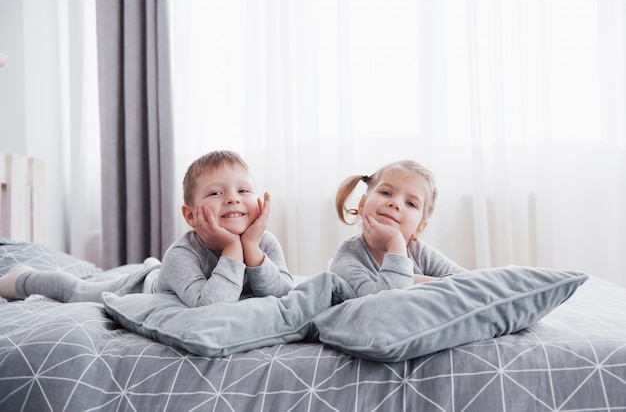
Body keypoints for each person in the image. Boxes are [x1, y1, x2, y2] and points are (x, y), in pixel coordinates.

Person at [0, 150, 294, 307]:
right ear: (190, 216)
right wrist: (233, 248)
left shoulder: (263, 243)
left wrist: (252, 250)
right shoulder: (183, 252)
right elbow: (210, 305)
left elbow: (282, 292)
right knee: (77, 290)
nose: (232, 198)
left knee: (160, 269)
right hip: (140, 288)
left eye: (244, 190)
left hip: (167, 274)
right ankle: (25, 279)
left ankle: (154, 267)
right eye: (216, 194)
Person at [330, 159, 466, 297]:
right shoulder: (348, 258)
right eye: (386, 193)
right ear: (362, 204)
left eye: (411, 203)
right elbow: (383, 307)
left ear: (419, 229)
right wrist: (395, 243)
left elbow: (471, 284)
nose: (395, 203)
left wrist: (412, 280)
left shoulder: (420, 252)